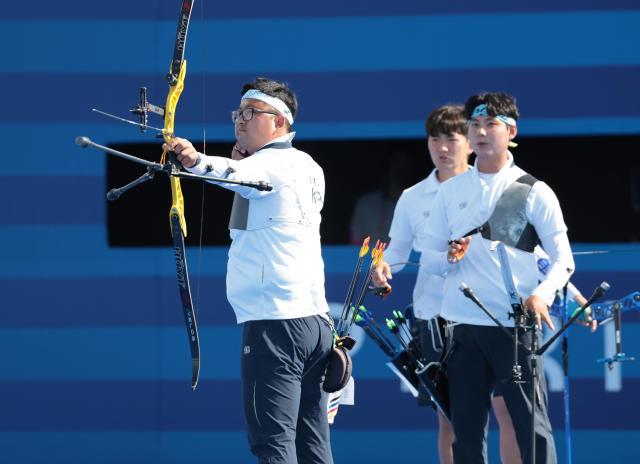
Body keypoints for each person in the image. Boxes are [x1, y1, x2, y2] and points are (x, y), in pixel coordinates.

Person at [166, 77, 334, 464]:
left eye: (250, 113)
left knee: (271, 441)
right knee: (311, 439)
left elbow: (233, 173)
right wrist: (238, 166)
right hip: (315, 323)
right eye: (237, 113)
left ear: (279, 122)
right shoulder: (307, 165)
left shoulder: (268, 166)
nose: (240, 120)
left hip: (276, 325)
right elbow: (256, 199)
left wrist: (193, 161)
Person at [420, 92, 576, 464]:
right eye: (474, 125)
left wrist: (541, 295)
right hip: (464, 329)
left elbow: (564, 261)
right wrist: (448, 256)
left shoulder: (534, 191)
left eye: (491, 124)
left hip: (515, 328)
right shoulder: (451, 191)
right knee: (467, 435)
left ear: (511, 131)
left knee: (531, 429)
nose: (481, 132)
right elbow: (429, 261)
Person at [372, 104, 472, 464]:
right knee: (449, 419)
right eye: (435, 139)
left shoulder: (488, 191)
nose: (442, 147)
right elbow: (396, 252)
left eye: (451, 138)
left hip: (484, 316)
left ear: (471, 142)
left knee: (502, 413)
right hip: (433, 318)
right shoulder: (413, 197)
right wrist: (382, 267)